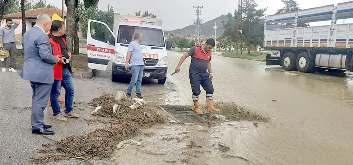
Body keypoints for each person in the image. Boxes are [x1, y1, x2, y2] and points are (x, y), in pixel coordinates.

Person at [22, 14, 59, 135]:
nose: (50, 28)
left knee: (36, 98)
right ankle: (37, 126)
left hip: (31, 72)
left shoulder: (28, 34)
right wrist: (56, 59)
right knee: (40, 101)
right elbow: (45, 56)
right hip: (42, 74)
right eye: (50, 25)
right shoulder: (42, 36)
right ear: (46, 24)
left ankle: (39, 122)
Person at [173, 38, 219, 115]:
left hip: (204, 73)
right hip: (194, 73)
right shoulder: (195, 49)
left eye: (211, 48)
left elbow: (208, 63)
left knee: (210, 88)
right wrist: (178, 67)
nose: (210, 49)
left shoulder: (209, 52)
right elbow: (184, 56)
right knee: (196, 90)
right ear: (206, 44)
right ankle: (196, 107)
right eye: (209, 47)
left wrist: (211, 73)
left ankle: (209, 106)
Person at [49, 14, 78, 120]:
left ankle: (68, 111)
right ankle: (57, 113)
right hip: (56, 70)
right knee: (55, 93)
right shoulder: (50, 41)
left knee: (70, 90)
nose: (65, 28)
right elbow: (49, 57)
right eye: (63, 26)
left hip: (65, 69)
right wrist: (60, 59)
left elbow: (64, 50)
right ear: (59, 29)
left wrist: (68, 55)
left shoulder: (63, 38)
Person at [125, 33, 144, 99]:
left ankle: (138, 93)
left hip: (141, 64)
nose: (142, 38)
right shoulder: (132, 43)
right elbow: (129, 53)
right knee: (134, 80)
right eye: (141, 37)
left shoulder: (139, 45)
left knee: (139, 79)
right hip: (135, 65)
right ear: (138, 37)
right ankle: (128, 92)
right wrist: (126, 63)